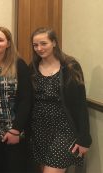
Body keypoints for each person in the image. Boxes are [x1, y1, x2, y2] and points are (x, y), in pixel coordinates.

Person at [30, 27, 92, 173]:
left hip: (64, 129)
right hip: (39, 129)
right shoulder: (32, 67)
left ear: (54, 43)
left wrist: (84, 139)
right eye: (35, 45)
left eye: (43, 43)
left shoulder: (70, 66)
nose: (39, 48)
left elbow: (80, 104)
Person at [0, 26, 32, 173]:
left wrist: (16, 130)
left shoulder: (18, 65)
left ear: (8, 43)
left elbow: (26, 100)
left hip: (12, 130)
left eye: (0, 40)